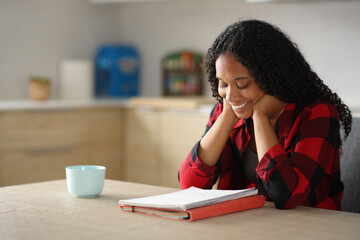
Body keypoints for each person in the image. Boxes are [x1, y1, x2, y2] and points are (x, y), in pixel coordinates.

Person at [178, 19, 352, 210]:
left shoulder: (317, 114)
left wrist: (260, 118)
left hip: (311, 228)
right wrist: (227, 118)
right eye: (223, 84)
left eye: (242, 84)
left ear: (270, 77)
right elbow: (190, 185)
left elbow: (287, 196)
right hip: (248, 224)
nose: (231, 96)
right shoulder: (226, 110)